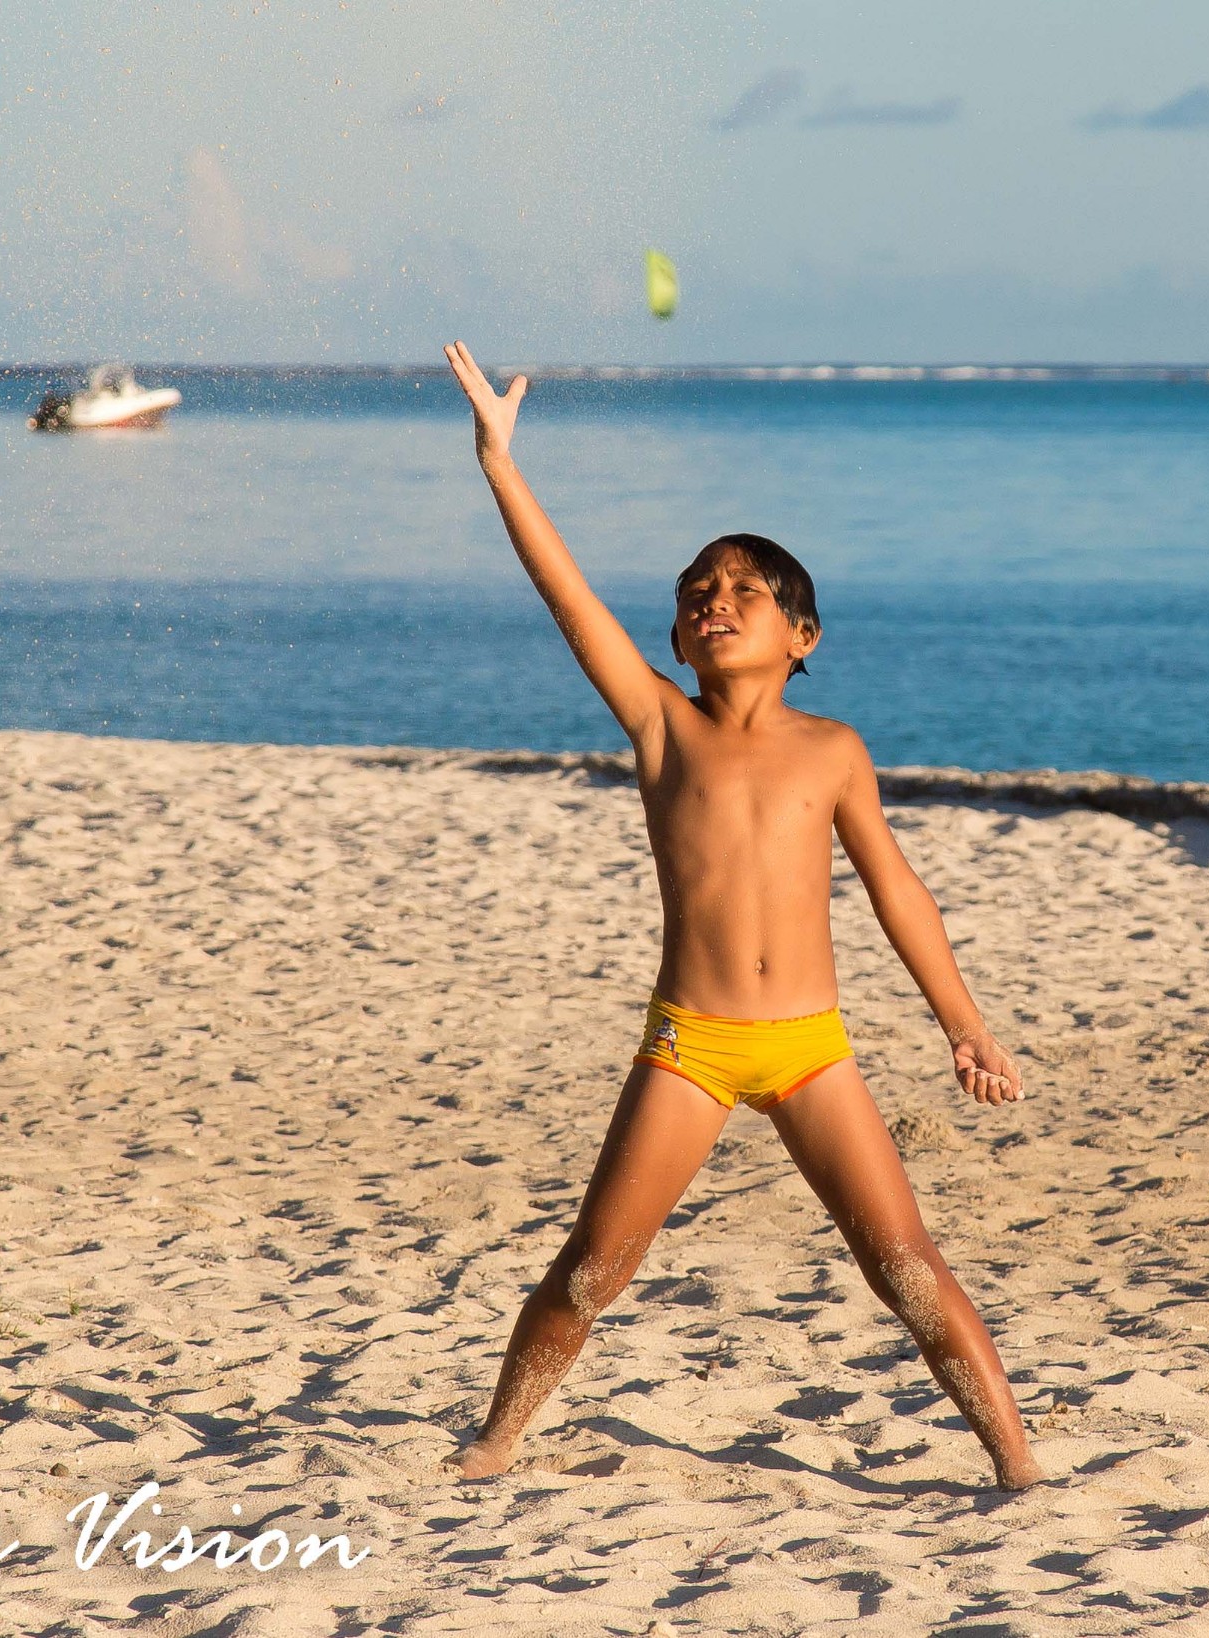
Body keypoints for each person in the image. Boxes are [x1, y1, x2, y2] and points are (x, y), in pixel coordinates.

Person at [441, 341, 1043, 1490]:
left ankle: (1016, 1465)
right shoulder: (661, 725)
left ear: (799, 637)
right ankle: (497, 1437)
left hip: (813, 1048)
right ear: (672, 641)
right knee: (589, 1273)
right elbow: (564, 593)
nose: (713, 601)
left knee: (907, 1266)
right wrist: (498, 462)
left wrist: (961, 1023)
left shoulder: (834, 752)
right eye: (694, 594)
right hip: (691, 1045)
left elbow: (893, 886)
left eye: (743, 591)